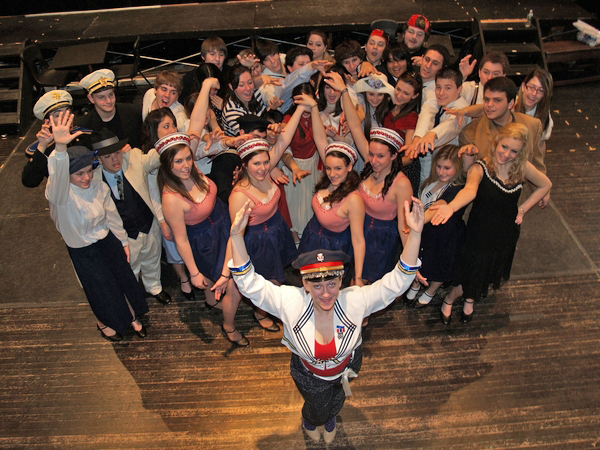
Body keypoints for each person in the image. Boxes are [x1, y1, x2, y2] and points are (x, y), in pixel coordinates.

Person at [227, 195, 423, 444]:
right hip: (309, 374)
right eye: (317, 286)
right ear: (305, 285)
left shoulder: (355, 300)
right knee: (317, 407)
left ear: (341, 281)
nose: (327, 293)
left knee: (338, 397)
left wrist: (415, 235)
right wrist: (236, 237)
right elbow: (250, 284)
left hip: (349, 363)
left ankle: (329, 415)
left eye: (332, 283)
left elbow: (396, 283)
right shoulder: (291, 302)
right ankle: (311, 419)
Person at [431, 123, 552, 324]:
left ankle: (470, 299)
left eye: (514, 151)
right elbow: (469, 191)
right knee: (472, 269)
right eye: (504, 147)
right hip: (480, 233)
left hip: (506, 232)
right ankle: (451, 297)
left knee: (488, 271)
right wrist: (451, 207)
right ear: (496, 142)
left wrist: (523, 209)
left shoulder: (521, 168)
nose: (507, 154)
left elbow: (545, 184)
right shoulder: (480, 168)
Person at [46, 111, 148, 342]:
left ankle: (129, 314)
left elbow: (111, 218)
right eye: (79, 174)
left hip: (107, 240)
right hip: (84, 249)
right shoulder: (61, 196)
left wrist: (123, 242)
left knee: (122, 276)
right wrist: (60, 149)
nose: (86, 178)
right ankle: (106, 320)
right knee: (100, 287)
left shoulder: (98, 187)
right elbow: (57, 176)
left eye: (89, 171)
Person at [321, 71, 414, 282]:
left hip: (379, 243)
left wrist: (411, 265)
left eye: (380, 156)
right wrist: (344, 90)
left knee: (367, 289)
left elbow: (404, 228)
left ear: (393, 156)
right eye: (371, 154)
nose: (374, 160)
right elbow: (354, 126)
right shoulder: (371, 166)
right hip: (355, 231)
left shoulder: (401, 184)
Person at [227, 104, 309, 336]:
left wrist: (302, 106)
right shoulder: (240, 195)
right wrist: (227, 270)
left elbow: (283, 142)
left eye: (266, 163)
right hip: (256, 241)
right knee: (242, 288)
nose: (263, 168)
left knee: (273, 282)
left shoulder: (264, 170)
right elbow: (234, 234)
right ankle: (229, 325)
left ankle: (261, 313)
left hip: (275, 231)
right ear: (244, 165)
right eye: (257, 164)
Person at [92, 128, 172, 306]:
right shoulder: (94, 180)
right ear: (98, 159)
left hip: (147, 223)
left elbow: (156, 157)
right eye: (107, 157)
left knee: (152, 257)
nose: (115, 159)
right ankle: (134, 294)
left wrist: (171, 137)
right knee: (131, 266)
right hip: (125, 234)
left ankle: (154, 287)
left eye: (117, 153)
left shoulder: (133, 158)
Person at [458, 77, 549, 206]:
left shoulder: (532, 125)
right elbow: (464, 179)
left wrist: (543, 189)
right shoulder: (470, 133)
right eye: (487, 99)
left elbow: (537, 164)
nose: (489, 105)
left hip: (522, 201)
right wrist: (467, 160)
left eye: (497, 100)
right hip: (488, 203)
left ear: (511, 103)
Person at [406, 145, 466, 308]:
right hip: (427, 229)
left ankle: (431, 290)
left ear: (458, 167)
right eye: (438, 166)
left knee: (440, 263)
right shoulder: (431, 181)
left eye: (447, 168)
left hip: (446, 233)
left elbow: (438, 206)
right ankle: (416, 283)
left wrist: (416, 222)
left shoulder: (456, 188)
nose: (441, 172)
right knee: (422, 258)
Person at [23, 90, 91, 188]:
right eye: (58, 115)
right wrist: (42, 147)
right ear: (48, 122)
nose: (66, 117)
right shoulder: (47, 147)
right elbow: (30, 182)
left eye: (68, 112)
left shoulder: (83, 135)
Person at [76, 69, 143, 149]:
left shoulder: (134, 112)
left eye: (111, 95)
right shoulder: (84, 127)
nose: (108, 101)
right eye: (101, 97)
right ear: (91, 99)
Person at [383, 71, 423, 194]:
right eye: (398, 89)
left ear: (414, 96)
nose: (399, 95)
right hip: (387, 163)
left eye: (406, 93)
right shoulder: (389, 106)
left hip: (403, 169)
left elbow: (409, 157)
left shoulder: (411, 117)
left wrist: (387, 163)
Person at [514, 69, 554, 156]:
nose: (534, 93)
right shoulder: (510, 106)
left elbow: (541, 145)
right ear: (524, 86)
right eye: (531, 87)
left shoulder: (545, 117)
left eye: (540, 90)